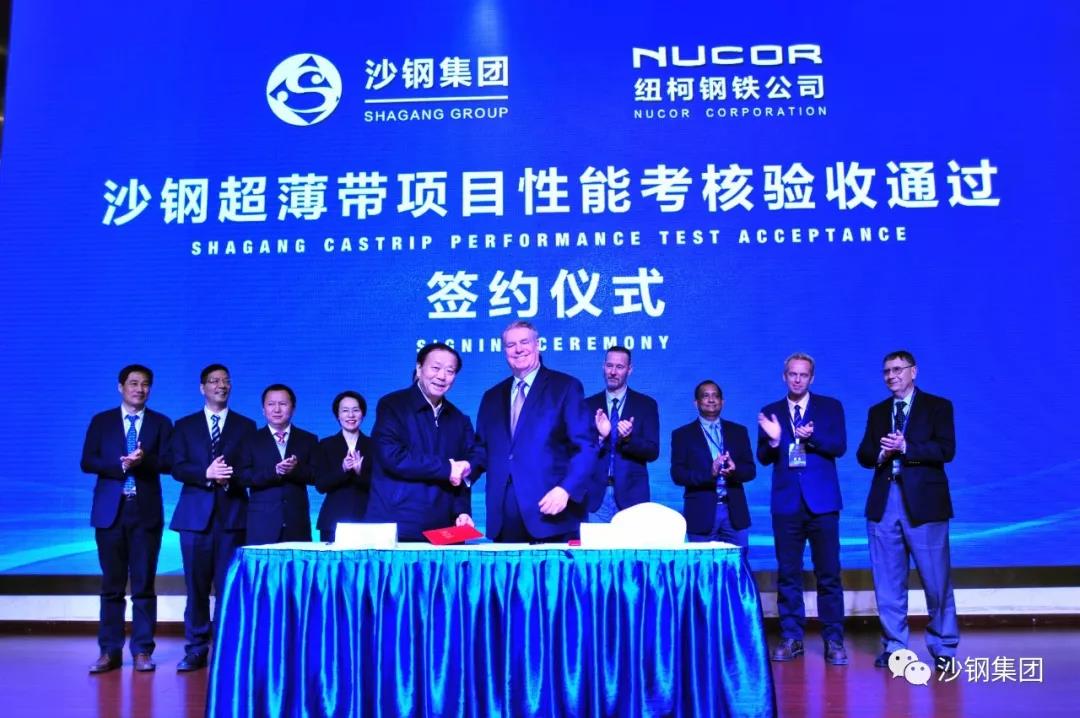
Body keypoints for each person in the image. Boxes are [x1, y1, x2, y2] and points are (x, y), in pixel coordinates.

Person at [857, 350, 958, 670]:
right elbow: (863, 454)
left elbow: (946, 450)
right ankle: (895, 646)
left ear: (914, 372)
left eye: (898, 369)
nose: (891, 376)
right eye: (886, 371)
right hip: (885, 501)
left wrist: (906, 447)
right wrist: (882, 454)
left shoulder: (938, 406)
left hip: (925, 504)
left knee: (936, 580)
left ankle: (944, 647)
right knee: (888, 581)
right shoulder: (877, 411)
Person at [757, 352, 848, 666]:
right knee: (788, 574)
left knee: (829, 574)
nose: (797, 379)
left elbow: (839, 446)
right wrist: (774, 441)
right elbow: (763, 458)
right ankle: (792, 637)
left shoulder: (830, 407)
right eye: (792, 374)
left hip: (823, 503)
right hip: (787, 504)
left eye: (803, 375)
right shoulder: (770, 411)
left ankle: (834, 639)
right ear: (784, 376)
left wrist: (813, 437)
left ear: (812, 377)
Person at [81, 364, 173, 674]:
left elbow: (170, 463)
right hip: (110, 512)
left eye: (145, 384)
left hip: (144, 512)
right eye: (133, 383)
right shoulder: (102, 421)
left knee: (144, 585)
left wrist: (144, 461)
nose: (139, 389)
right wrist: (120, 465)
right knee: (112, 586)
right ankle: (109, 651)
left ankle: (143, 650)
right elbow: (87, 461)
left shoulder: (161, 423)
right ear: (120, 387)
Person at [168, 364, 256, 672]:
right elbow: (177, 466)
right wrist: (206, 473)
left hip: (232, 516)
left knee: (228, 588)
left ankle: (224, 648)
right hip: (194, 519)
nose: (221, 385)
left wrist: (227, 477)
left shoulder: (246, 426)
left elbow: (249, 468)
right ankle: (195, 648)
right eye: (214, 381)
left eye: (226, 381)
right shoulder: (184, 425)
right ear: (202, 387)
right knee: (196, 588)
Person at [475, 321, 594, 542]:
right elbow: (481, 450)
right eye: (511, 345)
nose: (518, 349)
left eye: (524, 342)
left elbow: (586, 446)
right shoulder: (491, 397)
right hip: (504, 518)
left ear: (537, 345)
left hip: (553, 513)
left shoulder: (565, 387)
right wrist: (461, 470)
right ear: (504, 351)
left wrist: (566, 489)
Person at [365, 343, 479, 540]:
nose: (442, 376)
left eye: (450, 371)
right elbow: (392, 456)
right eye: (435, 368)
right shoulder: (392, 405)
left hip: (443, 529)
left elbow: (462, 472)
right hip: (396, 524)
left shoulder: (459, 419)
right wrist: (447, 468)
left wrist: (462, 511)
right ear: (419, 369)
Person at [671, 380, 755, 547]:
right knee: (703, 563)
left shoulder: (738, 432)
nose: (711, 400)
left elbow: (750, 470)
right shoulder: (682, 435)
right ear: (696, 403)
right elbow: (678, 475)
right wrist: (710, 473)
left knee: (739, 561)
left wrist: (735, 471)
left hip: (734, 512)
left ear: (722, 401)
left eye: (715, 396)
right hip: (701, 513)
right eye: (705, 396)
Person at [585, 346, 659, 522]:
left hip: (632, 497)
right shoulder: (588, 405)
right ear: (603, 367)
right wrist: (600, 438)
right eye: (609, 365)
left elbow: (652, 452)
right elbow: (578, 451)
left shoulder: (646, 405)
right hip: (595, 497)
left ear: (629, 370)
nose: (613, 372)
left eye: (619, 367)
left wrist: (628, 439)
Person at [238, 384, 318, 545]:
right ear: (263, 409)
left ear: (293, 408)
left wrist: (295, 470)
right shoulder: (250, 440)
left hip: (297, 523)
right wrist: (274, 472)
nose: (277, 409)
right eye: (271, 404)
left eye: (282, 404)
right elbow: (242, 476)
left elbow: (316, 476)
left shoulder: (308, 439)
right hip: (262, 524)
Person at [313, 391, 373, 542]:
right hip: (333, 520)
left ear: (363, 414)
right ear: (338, 415)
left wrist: (360, 473)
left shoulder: (374, 445)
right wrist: (343, 470)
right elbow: (320, 485)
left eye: (355, 410)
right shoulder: (326, 445)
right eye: (345, 411)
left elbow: (381, 486)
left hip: (367, 518)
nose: (350, 415)